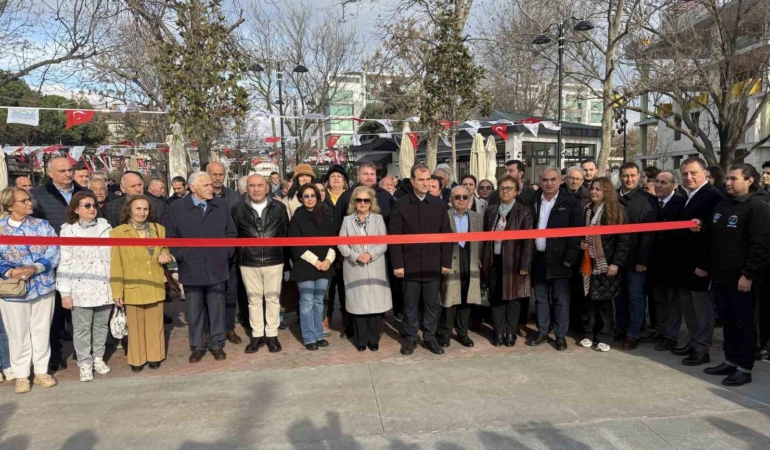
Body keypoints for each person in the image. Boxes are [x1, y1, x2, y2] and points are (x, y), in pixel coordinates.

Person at [703, 164, 770, 386]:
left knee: (744, 323)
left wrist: (748, 275)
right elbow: (713, 237)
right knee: (728, 322)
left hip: (741, 279)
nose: (728, 182)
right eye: (727, 179)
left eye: (734, 179)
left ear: (749, 181)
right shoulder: (723, 204)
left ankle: (744, 368)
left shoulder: (758, 207)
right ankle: (730, 360)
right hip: (720, 276)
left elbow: (760, 246)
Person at [165, 171, 237, 363]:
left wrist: (225, 253)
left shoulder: (221, 205)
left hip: (217, 265)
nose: (211, 188)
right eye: (206, 185)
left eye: (210, 184)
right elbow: (171, 237)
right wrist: (184, 256)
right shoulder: (177, 208)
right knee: (194, 310)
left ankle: (217, 344)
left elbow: (230, 232)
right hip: (191, 267)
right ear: (192, 187)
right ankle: (197, 346)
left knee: (217, 309)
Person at [30, 156, 90, 371]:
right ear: (50, 173)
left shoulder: (84, 192)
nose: (67, 174)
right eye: (62, 171)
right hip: (53, 260)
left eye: (69, 170)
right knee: (55, 312)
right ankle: (54, 354)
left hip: (82, 260)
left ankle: (85, 352)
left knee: (81, 308)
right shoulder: (37, 195)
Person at [0, 187, 60, 393]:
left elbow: (54, 249)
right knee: (17, 334)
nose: (29, 203)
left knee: (41, 330)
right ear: (9, 206)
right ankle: (21, 375)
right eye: (23, 201)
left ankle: (42, 371)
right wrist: (10, 271)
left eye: (29, 199)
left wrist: (36, 267)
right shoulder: (1, 228)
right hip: (13, 290)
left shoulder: (42, 225)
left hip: (43, 285)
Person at [390, 163, 453, 356]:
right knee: (410, 304)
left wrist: (446, 262)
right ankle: (410, 337)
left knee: (432, 305)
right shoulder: (401, 204)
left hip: (433, 263)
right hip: (409, 264)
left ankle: (430, 337)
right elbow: (394, 237)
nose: (425, 183)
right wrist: (398, 264)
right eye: (421, 180)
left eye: (428, 180)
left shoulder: (438, 204)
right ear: (412, 181)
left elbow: (447, 235)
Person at [671, 157, 724, 366]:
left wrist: (704, 264)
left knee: (702, 308)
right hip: (684, 262)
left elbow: (713, 233)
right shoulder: (686, 196)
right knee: (689, 307)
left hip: (699, 264)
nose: (689, 177)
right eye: (685, 173)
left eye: (693, 173)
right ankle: (693, 342)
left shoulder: (712, 196)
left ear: (704, 173)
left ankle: (702, 348)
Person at [111, 195, 172, 372]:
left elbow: (164, 247)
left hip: (155, 284)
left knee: (155, 324)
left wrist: (164, 253)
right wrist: (117, 291)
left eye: (145, 209)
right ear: (129, 210)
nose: (142, 212)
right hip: (133, 286)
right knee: (135, 327)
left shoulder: (158, 229)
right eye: (138, 208)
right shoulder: (118, 232)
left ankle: (155, 356)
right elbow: (116, 263)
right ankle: (137, 359)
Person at [57, 192, 113, 382]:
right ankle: (84, 362)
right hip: (81, 287)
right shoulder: (68, 231)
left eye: (94, 205)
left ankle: (98, 357)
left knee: (101, 326)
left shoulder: (105, 227)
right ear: (76, 209)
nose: (92, 209)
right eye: (87, 205)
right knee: (81, 328)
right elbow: (65, 262)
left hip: (104, 284)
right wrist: (65, 292)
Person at [334, 162, 396, 333]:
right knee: (352, 294)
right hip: (351, 258)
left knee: (376, 293)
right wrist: (344, 255)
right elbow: (338, 226)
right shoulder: (346, 197)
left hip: (379, 256)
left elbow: (392, 225)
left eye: (372, 174)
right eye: (365, 174)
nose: (369, 177)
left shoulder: (386, 197)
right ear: (358, 175)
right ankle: (351, 327)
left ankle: (376, 327)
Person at [526, 167, 582, 351]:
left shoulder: (571, 202)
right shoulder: (533, 200)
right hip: (538, 257)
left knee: (560, 300)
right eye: (545, 180)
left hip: (561, 260)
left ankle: (560, 335)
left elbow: (576, 233)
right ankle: (542, 332)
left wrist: (570, 257)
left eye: (553, 179)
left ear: (560, 181)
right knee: (541, 298)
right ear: (540, 181)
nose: (549, 183)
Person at [231, 174, 288, 354]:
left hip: (273, 259)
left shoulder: (279, 207)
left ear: (267, 188)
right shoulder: (237, 209)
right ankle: (257, 335)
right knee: (253, 300)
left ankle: (272, 334)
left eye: (260, 185)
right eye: (252, 186)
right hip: (249, 261)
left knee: (273, 299)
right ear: (246, 188)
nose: (256, 189)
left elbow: (284, 232)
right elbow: (234, 235)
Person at [578, 178, 631, 352]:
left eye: (598, 189)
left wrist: (616, 263)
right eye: (592, 188)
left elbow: (624, 241)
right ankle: (588, 335)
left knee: (605, 304)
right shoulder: (586, 209)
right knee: (588, 302)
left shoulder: (617, 211)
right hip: (588, 263)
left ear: (607, 192)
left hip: (606, 264)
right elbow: (580, 234)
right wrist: (581, 243)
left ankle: (605, 337)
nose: (594, 192)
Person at [481, 176, 533, 347]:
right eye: (502, 188)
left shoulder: (524, 211)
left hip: (514, 261)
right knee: (496, 297)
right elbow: (485, 238)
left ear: (516, 191)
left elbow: (528, 241)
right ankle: (498, 331)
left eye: (509, 188)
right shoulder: (491, 210)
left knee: (513, 298)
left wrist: (525, 264)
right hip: (494, 260)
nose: (505, 191)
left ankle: (510, 332)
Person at [338, 186, 391, 351]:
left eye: (366, 200)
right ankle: (361, 340)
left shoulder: (378, 219)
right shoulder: (347, 220)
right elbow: (341, 244)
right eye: (359, 200)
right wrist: (355, 256)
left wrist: (370, 255)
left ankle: (373, 340)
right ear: (354, 202)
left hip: (375, 266)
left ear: (371, 202)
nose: (362, 203)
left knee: (375, 306)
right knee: (358, 306)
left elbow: (383, 242)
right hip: (354, 267)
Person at [615, 162, 658, 350]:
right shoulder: (612, 196)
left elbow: (649, 234)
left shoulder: (648, 199)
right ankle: (621, 327)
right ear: (620, 176)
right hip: (615, 257)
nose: (629, 179)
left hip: (635, 258)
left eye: (633, 175)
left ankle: (633, 333)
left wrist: (642, 260)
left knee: (635, 296)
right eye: (625, 175)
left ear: (639, 176)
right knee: (618, 296)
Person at [289, 184, 336, 351]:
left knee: (319, 301)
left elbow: (333, 241)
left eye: (313, 195)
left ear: (318, 197)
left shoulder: (325, 216)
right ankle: (309, 337)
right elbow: (295, 245)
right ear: (301, 199)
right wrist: (316, 261)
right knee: (307, 301)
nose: (310, 199)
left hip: (324, 266)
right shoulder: (297, 218)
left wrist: (328, 260)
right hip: (305, 266)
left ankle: (318, 334)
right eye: (306, 196)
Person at [436, 185, 483, 348]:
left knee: (466, 298)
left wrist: (479, 263)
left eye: (465, 197)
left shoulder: (477, 217)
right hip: (450, 263)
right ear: (451, 199)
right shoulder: (444, 215)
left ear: (469, 199)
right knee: (449, 299)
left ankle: (463, 333)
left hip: (470, 261)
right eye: (457, 197)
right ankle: (445, 333)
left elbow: (481, 243)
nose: (461, 200)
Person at [645, 171, 687, 350]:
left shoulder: (681, 203)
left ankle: (671, 335)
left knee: (672, 301)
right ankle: (660, 330)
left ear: (674, 185)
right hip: (655, 260)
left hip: (673, 260)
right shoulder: (651, 202)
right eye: (657, 181)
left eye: (663, 182)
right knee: (658, 299)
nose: (658, 185)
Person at [205, 162, 243, 344]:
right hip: (208, 256)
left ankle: (229, 328)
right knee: (210, 295)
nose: (218, 178)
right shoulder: (202, 196)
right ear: (207, 174)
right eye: (214, 174)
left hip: (230, 255)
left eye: (221, 174)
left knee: (230, 293)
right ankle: (211, 330)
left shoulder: (235, 197)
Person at [323, 165, 348, 336]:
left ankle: (347, 318)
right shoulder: (322, 198)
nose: (336, 179)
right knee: (328, 288)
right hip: (327, 251)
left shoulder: (350, 197)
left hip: (346, 250)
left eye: (339, 176)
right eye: (333, 176)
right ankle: (326, 318)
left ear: (344, 181)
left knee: (346, 287)